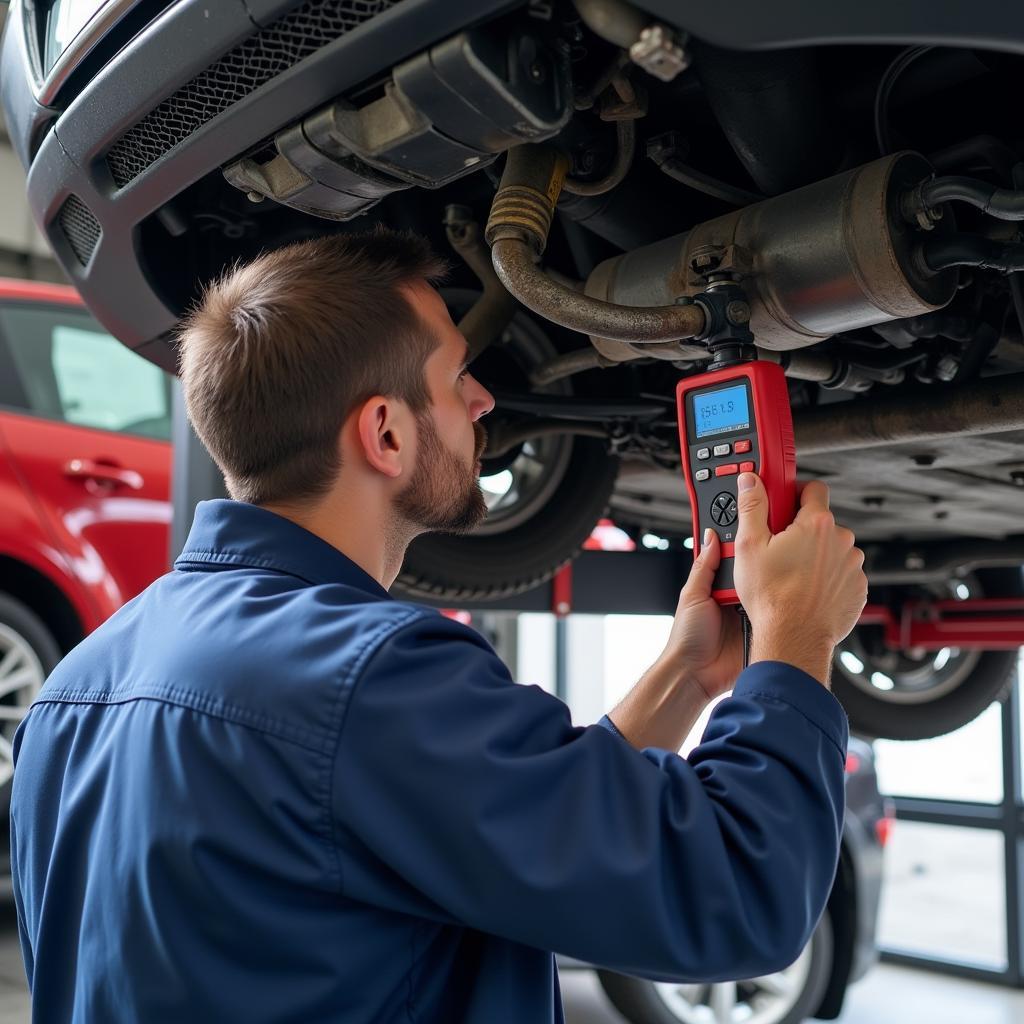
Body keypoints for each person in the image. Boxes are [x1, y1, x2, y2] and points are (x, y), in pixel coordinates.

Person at [10, 228, 867, 1024]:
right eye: (458, 377)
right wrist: (797, 642)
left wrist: (685, 674)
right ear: (384, 431)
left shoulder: (72, 695)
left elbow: (521, 853)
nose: (486, 400)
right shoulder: (367, 678)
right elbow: (737, 897)